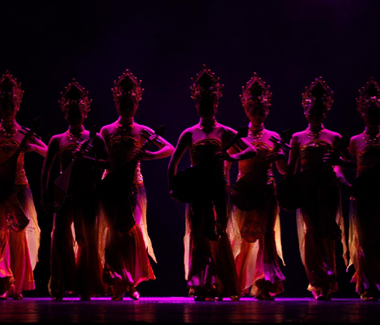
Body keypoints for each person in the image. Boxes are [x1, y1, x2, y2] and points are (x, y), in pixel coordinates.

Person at [168, 65, 256, 301]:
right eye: (202, 105)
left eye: (211, 105)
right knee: (198, 235)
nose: (206, 108)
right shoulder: (189, 133)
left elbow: (250, 150)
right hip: (197, 192)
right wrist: (173, 187)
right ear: (197, 106)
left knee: (218, 233)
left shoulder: (225, 132)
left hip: (218, 189)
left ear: (216, 105)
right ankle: (201, 285)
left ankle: (221, 284)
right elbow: (173, 162)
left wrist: (230, 156)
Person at [99, 69, 174, 300]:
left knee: (133, 231)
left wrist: (147, 157)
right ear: (116, 103)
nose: (127, 106)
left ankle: (131, 283)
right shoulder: (106, 130)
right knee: (113, 232)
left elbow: (169, 148)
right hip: (112, 186)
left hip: (134, 186)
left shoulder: (142, 130)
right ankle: (116, 281)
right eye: (123, 102)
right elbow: (101, 158)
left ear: (136, 104)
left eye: (131, 103)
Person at [40, 80, 108, 300]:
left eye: (78, 111)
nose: (74, 115)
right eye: (70, 112)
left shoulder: (94, 138)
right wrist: (45, 195)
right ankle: (61, 284)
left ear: (85, 112)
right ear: (65, 113)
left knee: (86, 239)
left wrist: (86, 158)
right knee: (61, 237)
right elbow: (46, 171)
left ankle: (84, 285)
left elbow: (107, 164)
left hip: (87, 194)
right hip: (64, 196)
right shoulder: (56, 140)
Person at [0, 71, 46, 300]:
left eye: (12, 105)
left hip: (21, 188)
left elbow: (48, 151)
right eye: (5, 104)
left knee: (19, 235)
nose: (8, 108)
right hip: (0, 189)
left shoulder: (24, 133)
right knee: (0, 234)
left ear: (18, 106)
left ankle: (16, 284)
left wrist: (32, 147)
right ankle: (3, 281)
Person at [285, 77, 349, 301]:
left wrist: (338, 160)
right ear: (305, 111)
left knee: (327, 233)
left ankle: (329, 281)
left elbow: (350, 163)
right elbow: (290, 170)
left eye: (320, 110)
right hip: (307, 191)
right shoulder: (297, 138)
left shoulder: (335, 137)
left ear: (326, 111)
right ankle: (317, 282)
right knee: (312, 233)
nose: (316, 113)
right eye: (312, 109)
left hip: (329, 189)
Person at [231, 73, 286, 300]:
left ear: (267, 111)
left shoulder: (273, 136)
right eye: (253, 110)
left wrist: (279, 154)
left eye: (261, 110)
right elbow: (228, 161)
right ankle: (236, 283)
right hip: (244, 191)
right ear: (246, 111)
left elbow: (283, 170)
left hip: (267, 191)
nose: (258, 114)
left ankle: (264, 284)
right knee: (243, 237)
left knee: (267, 236)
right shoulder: (238, 136)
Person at [346, 78, 380, 301]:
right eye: (368, 112)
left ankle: (379, 282)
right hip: (362, 194)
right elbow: (351, 164)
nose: (372, 116)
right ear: (362, 113)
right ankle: (368, 286)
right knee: (365, 239)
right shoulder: (355, 140)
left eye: (376, 112)